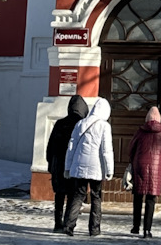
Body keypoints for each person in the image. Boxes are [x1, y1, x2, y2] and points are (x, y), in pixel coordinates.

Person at [62, 97, 114, 236]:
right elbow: (106, 150)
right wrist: (109, 170)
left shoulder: (80, 123)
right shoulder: (104, 126)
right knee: (96, 197)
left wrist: (67, 167)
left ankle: (68, 226)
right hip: (96, 168)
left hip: (79, 166)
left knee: (77, 196)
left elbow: (71, 147)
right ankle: (94, 229)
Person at [46, 94, 90, 232]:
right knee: (72, 195)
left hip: (58, 165)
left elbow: (50, 146)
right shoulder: (82, 125)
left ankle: (57, 224)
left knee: (59, 195)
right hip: (74, 165)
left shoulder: (59, 123)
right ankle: (67, 223)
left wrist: (50, 163)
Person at [128, 105, 161, 238]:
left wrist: (132, 159)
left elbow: (131, 148)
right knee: (151, 199)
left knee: (138, 197)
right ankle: (147, 230)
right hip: (155, 168)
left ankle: (135, 227)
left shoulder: (140, 131)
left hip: (139, 165)